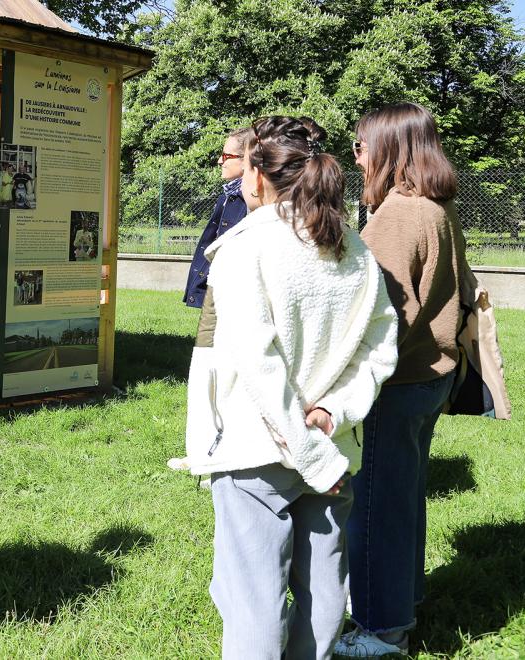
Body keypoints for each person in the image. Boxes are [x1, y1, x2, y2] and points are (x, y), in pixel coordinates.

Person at [184, 116, 398, 659]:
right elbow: (380, 348)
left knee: (252, 600)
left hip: (264, 451)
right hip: (334, 444)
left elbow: (259, 365)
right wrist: (334, 411)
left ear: (257, 176)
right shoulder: (354, 249)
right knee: (324, 591)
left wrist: (308, 452)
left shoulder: (245, 249)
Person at [335, 103, 465, 658]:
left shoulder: (399, 214)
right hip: (431, 376)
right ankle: (402, 601)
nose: (355, 157)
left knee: (376, 507)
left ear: (388, 149)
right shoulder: (436, 206)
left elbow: (378, 314)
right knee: (402, 498)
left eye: (361, 146)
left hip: (394, 382)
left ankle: (381, 629)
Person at [183, 126, 251, 308]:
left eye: (226, 156)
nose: (220, 161)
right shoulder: (229, 196)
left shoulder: (251, 201)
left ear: (246, 160)